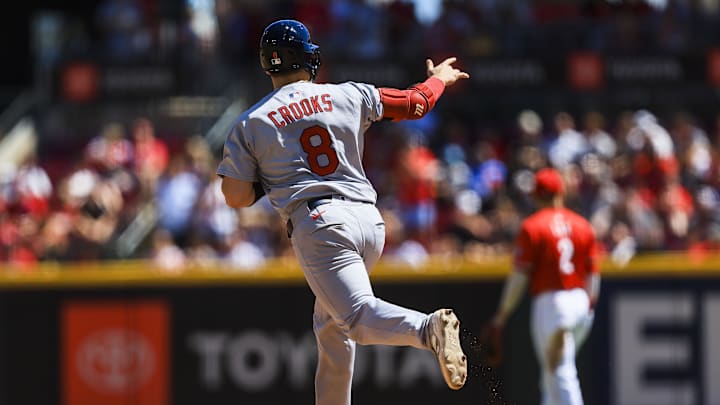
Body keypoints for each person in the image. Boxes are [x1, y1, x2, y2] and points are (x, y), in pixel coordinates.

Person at [217, 19, 469, 405]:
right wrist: (438, 79)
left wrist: (275, 174)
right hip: (369, 221)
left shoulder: (252, 121)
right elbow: (415, 104)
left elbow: (235, 196)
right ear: (308, 57)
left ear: (266, 64)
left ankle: (427, 328)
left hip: (320, 224)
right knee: (332, 327)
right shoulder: (348, 94)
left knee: (355, 319)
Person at [490, 167, 601, 405]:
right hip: (581, 303)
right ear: (561, 192)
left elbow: (519, 278)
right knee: (551, 372)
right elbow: (594, 274)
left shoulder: (533, 226)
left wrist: (501, 316)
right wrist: (588, 306)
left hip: (552, 304)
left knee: (560, 370)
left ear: (535, 196)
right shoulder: (583, 224)